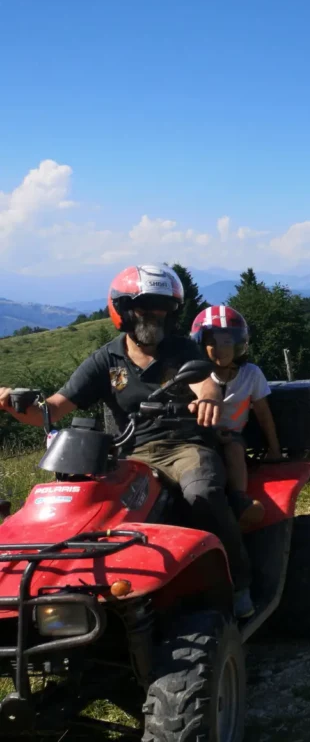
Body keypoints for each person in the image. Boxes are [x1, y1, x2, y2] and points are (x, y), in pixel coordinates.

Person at [0, 264, 255, 619]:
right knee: (94, 514)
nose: (155, 314)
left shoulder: (182, 350)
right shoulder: (106, 359)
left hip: (185, 447)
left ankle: (238, 581)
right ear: (121, 309)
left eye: (163, 307)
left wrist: (209, 398)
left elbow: (205, 382)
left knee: (203, 494)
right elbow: (54, 409)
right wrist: (13, 402)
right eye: (145, 305)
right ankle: (82, 594)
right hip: (128, 453)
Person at [191, 305, 281, 530]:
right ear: (201, 344)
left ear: (239, 344)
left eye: (226, 341)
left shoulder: (251, 374)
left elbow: (263, 413)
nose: (219, 349)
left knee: (233, 449)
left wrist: (274, 448)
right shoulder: (195, 374)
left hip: (232, 435)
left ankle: (239, 500)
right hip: (198, 436)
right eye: (212, 342)